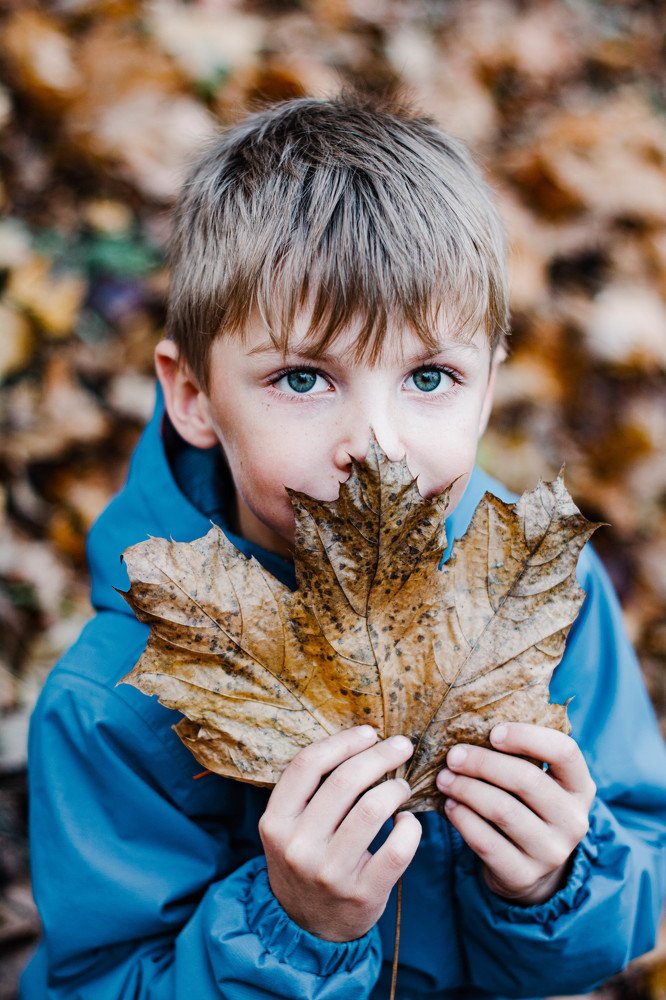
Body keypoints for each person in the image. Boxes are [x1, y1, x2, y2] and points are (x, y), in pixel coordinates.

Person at [21, 92, 666, 1000]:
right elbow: (102, 982)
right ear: (194, 395)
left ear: (488, 393)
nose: (378, 443)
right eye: (303, 378)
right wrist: (290, 928)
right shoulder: (116, 697)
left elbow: (638, 857)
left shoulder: (535, 593)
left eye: (430, 376)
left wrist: (558, 880)